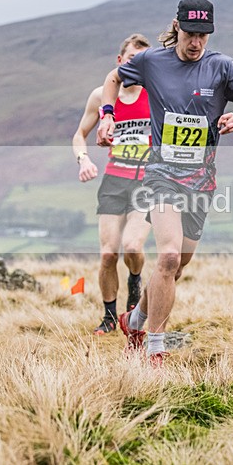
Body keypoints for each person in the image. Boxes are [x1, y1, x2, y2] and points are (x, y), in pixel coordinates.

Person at [97, 0, 233, 366]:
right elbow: (113, 79)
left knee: (178, 264)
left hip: (201, 181)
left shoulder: (222, 67)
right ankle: (154, 348)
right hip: (161, 174)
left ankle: (136, 319)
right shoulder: (151, 62)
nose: (196, 43)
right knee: (168, 255)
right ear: (177, 27)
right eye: (191, 34)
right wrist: (108, 114)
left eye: (204, 36)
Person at [72, 33, 153, 335]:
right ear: (119, 62)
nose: (138, 67)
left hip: (146, 183)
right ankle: (109, 317)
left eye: (143, 62)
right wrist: (84, 160)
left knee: (133, 247)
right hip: (114, 181)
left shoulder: (155, 94)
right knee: (108, 253)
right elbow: (79, 135)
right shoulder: (101, 97)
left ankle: (135, 279)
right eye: (132, 60)